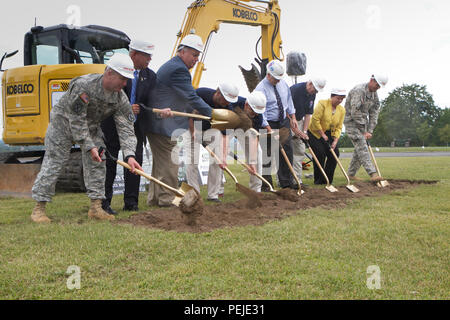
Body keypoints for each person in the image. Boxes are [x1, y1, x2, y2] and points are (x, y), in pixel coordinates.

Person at [30, 53, 142, 223]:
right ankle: (39, 208)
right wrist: (89, 146)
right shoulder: (84, 86)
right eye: (122, 79)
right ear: (109, 73)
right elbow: (76, 120)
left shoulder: (120, 98)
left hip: (90, 127)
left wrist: (130, 156)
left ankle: (96, 207)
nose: (125, 84)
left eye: (127, 79)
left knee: (99, 160)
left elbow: (126, 129)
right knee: (54, 162)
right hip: (64, 124)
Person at [101, 40, 171, 214]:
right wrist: (126, 109)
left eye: (150, 56)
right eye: (146, 55)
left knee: (134, 163)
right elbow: (107, 97)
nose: (150, 59)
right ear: (134, 55)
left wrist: (159, 110)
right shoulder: (117, 71)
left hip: (136, 128)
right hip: (111, 126)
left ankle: (131, 202)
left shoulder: (150, 76)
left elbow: (152, 102)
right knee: (109, 162)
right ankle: (104, 203)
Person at [145, 34, 212, 207]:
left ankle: (154, 199)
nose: (196, 59)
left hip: (158, 123)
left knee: (160, 164)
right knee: (170, 163)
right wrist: (212, 114)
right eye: (194, 55)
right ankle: (167, 200)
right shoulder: (179, 70)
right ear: (182, 52)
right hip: (162, 124)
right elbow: (190, 96)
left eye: (198, 56)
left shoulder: (173, 66)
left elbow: (181, 98)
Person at [185, 83, 239, 202]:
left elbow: (224, 134)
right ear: (218, 93)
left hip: (211, 130)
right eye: (226, 100)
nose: (227, 103)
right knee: (192, 160)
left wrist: (223, 157)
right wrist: (194, 132)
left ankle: (212, 195)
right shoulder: (200, 93)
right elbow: (188, 115)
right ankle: (194, 195)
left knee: (217, 159)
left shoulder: (227, 109)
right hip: (193, 126)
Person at [254, 60, 299, 190]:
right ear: (268, 75)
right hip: (267, 123)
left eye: (279, 78)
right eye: (275, 79)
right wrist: (269, 129)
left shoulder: (283, 84)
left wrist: (293, 117)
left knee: (287, 150)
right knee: (267, 154)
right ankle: (266, 185)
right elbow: (261, 112)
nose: (278, 81)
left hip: (283, 121)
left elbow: (288, 102)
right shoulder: (260, 89)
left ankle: (286, 182)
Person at [344, 74, 388, 182]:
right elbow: (355, 112)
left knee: (360, 148)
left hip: (364, 123)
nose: (377, 88)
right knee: (362, 146)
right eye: (376, 85)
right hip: (351, 122)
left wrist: (370, 130)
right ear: (371, 80)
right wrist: (364, 130)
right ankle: (373, 174)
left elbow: (374, 112)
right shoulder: (359, 91)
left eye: (379, 87)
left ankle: (350, 174)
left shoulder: (374, 94)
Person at [290, 78, 326, 185]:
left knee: (300, 150)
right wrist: (295, 129)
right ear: (310, 83)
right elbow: (286, 110)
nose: (314, 93)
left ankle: (297, 180)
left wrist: (304, 131)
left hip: (299, 120)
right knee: (286, 152)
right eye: (314, 90)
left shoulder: (312, 94)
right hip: (287, 120)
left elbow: (308, 114)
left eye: (316, 91)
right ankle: (283, 181)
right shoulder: (295, 90)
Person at [307, 88, 346, 185]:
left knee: (334, 154)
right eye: (338, 98)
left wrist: (335, 141)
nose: (340, 101)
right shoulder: (322, 104)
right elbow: (315, 120)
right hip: (315, 132)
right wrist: (322, 134)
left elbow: (339, 127)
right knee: (320, 154)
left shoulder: (341, 110)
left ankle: (327, 180)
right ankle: (319, 180)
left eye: (342, 99)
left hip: (330, 134)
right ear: (332, 96)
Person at [232, 90, 267, 192]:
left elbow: (253, 138)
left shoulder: (258, 117)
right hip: (226, 126)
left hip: (244, 131)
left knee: (258, 153)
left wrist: (252, 162)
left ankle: (256, 190)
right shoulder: (234, 102)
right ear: (247, 105)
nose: (255, 114)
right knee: (219, 154)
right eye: (253, 111)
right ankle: (216, 193)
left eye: (258, 112)